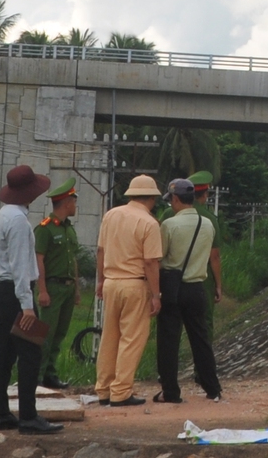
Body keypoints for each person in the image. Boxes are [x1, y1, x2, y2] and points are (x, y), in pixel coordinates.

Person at [0, 164, 60, 433]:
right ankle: (28, 416)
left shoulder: (3, 215)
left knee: (4, 353)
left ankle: (1, 412)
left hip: (1, 290)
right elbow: (20, 266)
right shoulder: (18, 221)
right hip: (16, 292)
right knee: (30, 353)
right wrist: (27, 306)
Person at [94, 173, 165, 406]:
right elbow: (150, 262)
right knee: (132, 338)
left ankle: (103, 389)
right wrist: (156, 294)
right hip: (135, 283)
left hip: (111, 282)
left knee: (109, 337)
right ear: (151, 198)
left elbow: (101, 252)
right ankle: (121, 391)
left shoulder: (111, 215)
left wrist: (101, 280)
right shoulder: (149, 223)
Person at [154, 177, 225, 405]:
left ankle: (171, 392)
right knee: (200, 339)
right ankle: (212, 388)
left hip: (173, 288)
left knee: (168, 340)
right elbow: (211, 256)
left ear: (175, 198)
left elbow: (160, 257)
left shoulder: (169, 225)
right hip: (197, 288)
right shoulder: (207, 224)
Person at [35, 176, 87, 385]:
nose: (75, 206)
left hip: (67, 287)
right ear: (66, 203)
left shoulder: (68, 228)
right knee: (45, 335)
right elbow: (39, 260)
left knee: (59, 333)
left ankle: (50, 374)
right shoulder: (45, 229)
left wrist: (76, 288)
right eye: (73, 201)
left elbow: (72, 259)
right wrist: (42, 290)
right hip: (52, 287)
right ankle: (36, 377)